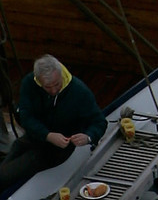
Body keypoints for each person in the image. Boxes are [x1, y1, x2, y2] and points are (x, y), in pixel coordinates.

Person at [1, 57, 106, 196]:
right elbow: (26, 117)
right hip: (33, 139)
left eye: (57, 84)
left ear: (61, 74)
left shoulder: (79, 91)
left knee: (5, 176)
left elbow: (99, 122)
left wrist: (88, 137)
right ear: (38, 80)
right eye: (47, 87)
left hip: (57, 151)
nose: (53, 90)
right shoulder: (29, 83)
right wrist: (47, 135)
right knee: (13, 154)